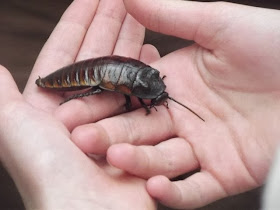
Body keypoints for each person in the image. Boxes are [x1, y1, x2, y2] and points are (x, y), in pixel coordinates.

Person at [0, 0, 279, 210]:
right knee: (86, 89)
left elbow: (136, 90)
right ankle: (68, 91)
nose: (155, 99)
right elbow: (130, 94)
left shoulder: (141, 85)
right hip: (90, 74)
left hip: (110, 72)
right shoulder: (131, 91)